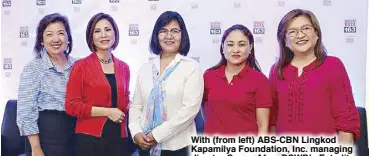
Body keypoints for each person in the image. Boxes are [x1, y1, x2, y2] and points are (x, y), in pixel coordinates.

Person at [269, 9, 360, 143]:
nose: (300, 35)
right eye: (292, 32)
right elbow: (272, 120)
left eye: (306, 28)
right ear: (284, 41)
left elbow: (346, 119)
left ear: (316, 34)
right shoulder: (276, 70)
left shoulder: (333, 65)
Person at [129, 11, 204, 156]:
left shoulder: (191, 67)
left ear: (182, 35)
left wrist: (155, 135)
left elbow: (188, 111)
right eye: (163, 31)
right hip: (145, 145)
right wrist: (136, 133)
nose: (169, 36)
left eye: (175, 31)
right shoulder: (146, 68)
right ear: (157, 36)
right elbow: (136, 105)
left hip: (179, 147)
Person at [65, 13, 131, 156]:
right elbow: (71, 106)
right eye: (97, 31)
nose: (103, 35)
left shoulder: (124, 67)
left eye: (107, 29)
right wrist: (108, 112)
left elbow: (124, 102)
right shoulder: (80, 66)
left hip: (119, 138)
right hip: (89, 140)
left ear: (115, 33)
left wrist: (140, 105)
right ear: (91, 37)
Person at [16, 13, 76, 156]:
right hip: (45, 139)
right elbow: (26, 112)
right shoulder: (33, 68)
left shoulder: (78, 66)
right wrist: (36, 148)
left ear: (68, 38)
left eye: (61, 33)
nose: (56, 39)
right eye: (49, 34)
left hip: (76, 136)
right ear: (41, 40)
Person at [202, 24, 272, 136]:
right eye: (230, 44)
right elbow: (206, 111)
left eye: (242, 44)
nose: (235, 50)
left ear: (250, 48)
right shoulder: (209, 76)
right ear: (222, 47)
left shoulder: (260, 80)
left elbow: (263, 126)